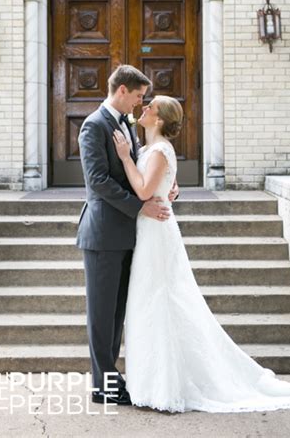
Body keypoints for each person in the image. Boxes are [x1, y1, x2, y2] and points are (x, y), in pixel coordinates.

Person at [113, 95, 290, 413]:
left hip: (156, 232)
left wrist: (125, 158)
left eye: (150, 107)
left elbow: (142, 191)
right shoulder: (153, 150)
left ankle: (167, 385)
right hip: (151, 228)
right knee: (153, 299)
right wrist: (160, 180)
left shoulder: (156, 151)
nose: (144, 108)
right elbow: (158, 187)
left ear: (160, 119)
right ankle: (157, 381)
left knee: (159, 298)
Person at [76, 65, 178, 406]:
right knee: (102, 315)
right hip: (103, 234)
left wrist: (165, 186)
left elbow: (140, 167)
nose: (139, 103)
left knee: (118, 313)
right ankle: (102, 384)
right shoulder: (94, 125)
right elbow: (99, 182)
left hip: (128, 235)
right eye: (137, 96)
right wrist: (140, 207)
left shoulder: (124, 125)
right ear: (122, 91)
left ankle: (111, 377)